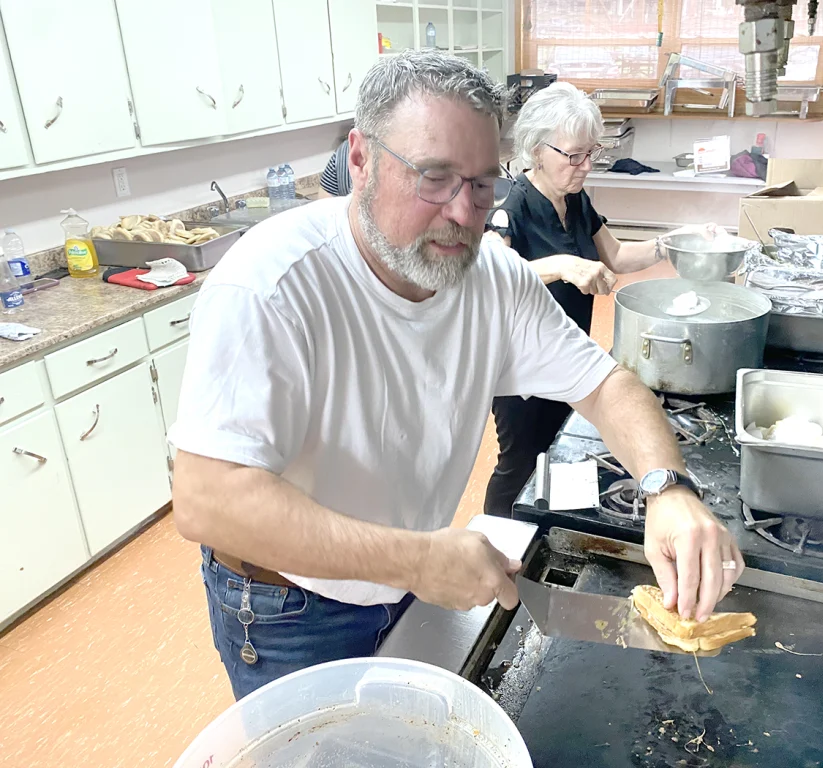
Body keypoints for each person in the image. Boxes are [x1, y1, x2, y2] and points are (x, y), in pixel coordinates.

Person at [170, 50, 744, 701]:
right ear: (361, 159)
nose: (465, 213)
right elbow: (208, 499)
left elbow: (607, 385)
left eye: (481, 184)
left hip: (409, 573)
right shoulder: (271, 285)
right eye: (434, 178)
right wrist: (416, 559)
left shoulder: (492, 278)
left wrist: (668, 489)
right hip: (291, 608)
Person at [483, 82, 713, 518]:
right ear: (537, 150)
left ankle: (543, 531)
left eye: (592, 153)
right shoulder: (510, 206)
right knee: (520, 462)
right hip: (524, 368)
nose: (586, 166)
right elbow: (493, 275)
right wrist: (562, 265)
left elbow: (618, 256)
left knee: (559, 450)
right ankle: (498, 537)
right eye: (574, 156)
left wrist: (674, 242)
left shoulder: (575, 199)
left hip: (569, 353)